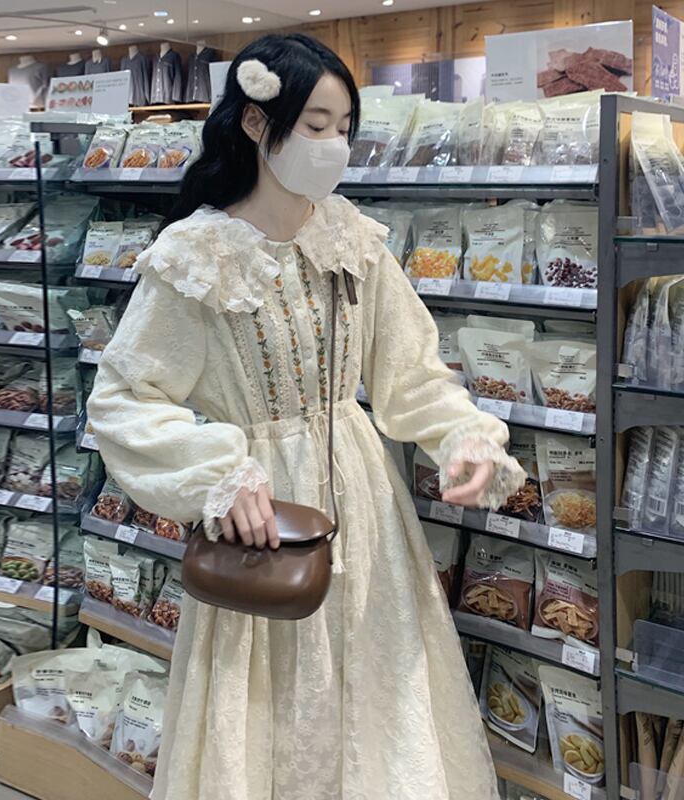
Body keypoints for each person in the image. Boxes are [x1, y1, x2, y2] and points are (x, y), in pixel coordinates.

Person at [88, 32, 525, 800]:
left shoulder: (351, 240)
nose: (333, 145)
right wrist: (217, 473)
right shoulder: (197, 256)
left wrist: (463, 436)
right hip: (264, 522)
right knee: (269, 709)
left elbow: (410, 371)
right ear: (258, 123)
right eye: (315, 125)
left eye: (344, 127)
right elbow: (125, 398)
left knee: (379, 699)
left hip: (365, 506)